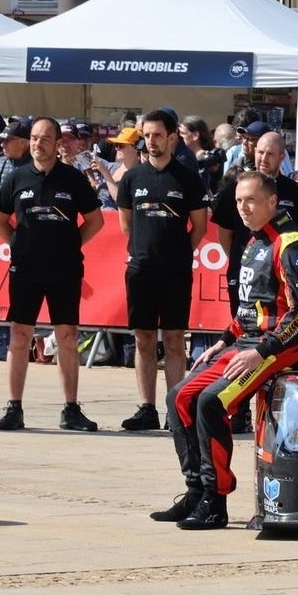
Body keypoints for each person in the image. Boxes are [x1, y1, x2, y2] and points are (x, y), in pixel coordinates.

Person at [152, 172, 298, 529]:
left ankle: (216, 501)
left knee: (210, 402)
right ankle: (196, 491)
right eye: (239, 201)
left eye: (251, 200)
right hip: (245, 343)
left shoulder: (292, 244)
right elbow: (249, 308)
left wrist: (262, 351)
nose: (243, 208)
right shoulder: (253, 240)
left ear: (272, 202)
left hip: (279, 348)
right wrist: (224, 340)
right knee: (178, 398)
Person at [0, 116, 104, 432]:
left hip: (64, 270)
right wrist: (19, 244)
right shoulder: (16, 177)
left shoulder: (74, 179)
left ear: (57, 143)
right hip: (25, 269)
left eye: (45, 138)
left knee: (66, 336)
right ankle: (14, 408)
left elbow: (96, 221)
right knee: (20, 335)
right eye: (35, 138)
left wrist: (70, 245)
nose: (39, 143)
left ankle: (70, 409)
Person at [211, 131, 298, 431]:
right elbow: (225, 232)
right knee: (240, 334)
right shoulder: (237, 186)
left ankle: (280, 416)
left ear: (282, 156)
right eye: (259, 152)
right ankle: (238, 410)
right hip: (245, 274)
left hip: (280, 282)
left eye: (270, 153)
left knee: (273, 346)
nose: (263, 158)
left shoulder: (296, 192)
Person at [115, 109, 209, 431]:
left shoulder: (188, 178)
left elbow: (198, 227)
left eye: (157, 135)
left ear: (171, 138)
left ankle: (175, 408)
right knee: (143, 338)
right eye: (147, 135)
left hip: (176, 272)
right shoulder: (132, 178)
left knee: (173, 339)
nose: (151, 141)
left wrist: (178, 252)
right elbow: (126, 225)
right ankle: (146, 408)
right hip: (141, 270)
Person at [0, 119, 32, 206]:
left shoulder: (38, 165)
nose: (2, 144)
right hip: (3, 217)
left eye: (7, 140)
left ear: (23, 142)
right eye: (1, 140)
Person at [92, 127, 141, 203]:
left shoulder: (140, 174)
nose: (116, 148)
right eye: (116, 144)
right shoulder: (112, 167)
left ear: (136, 147)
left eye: (121, 145)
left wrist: (106, 174)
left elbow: (121, 202)